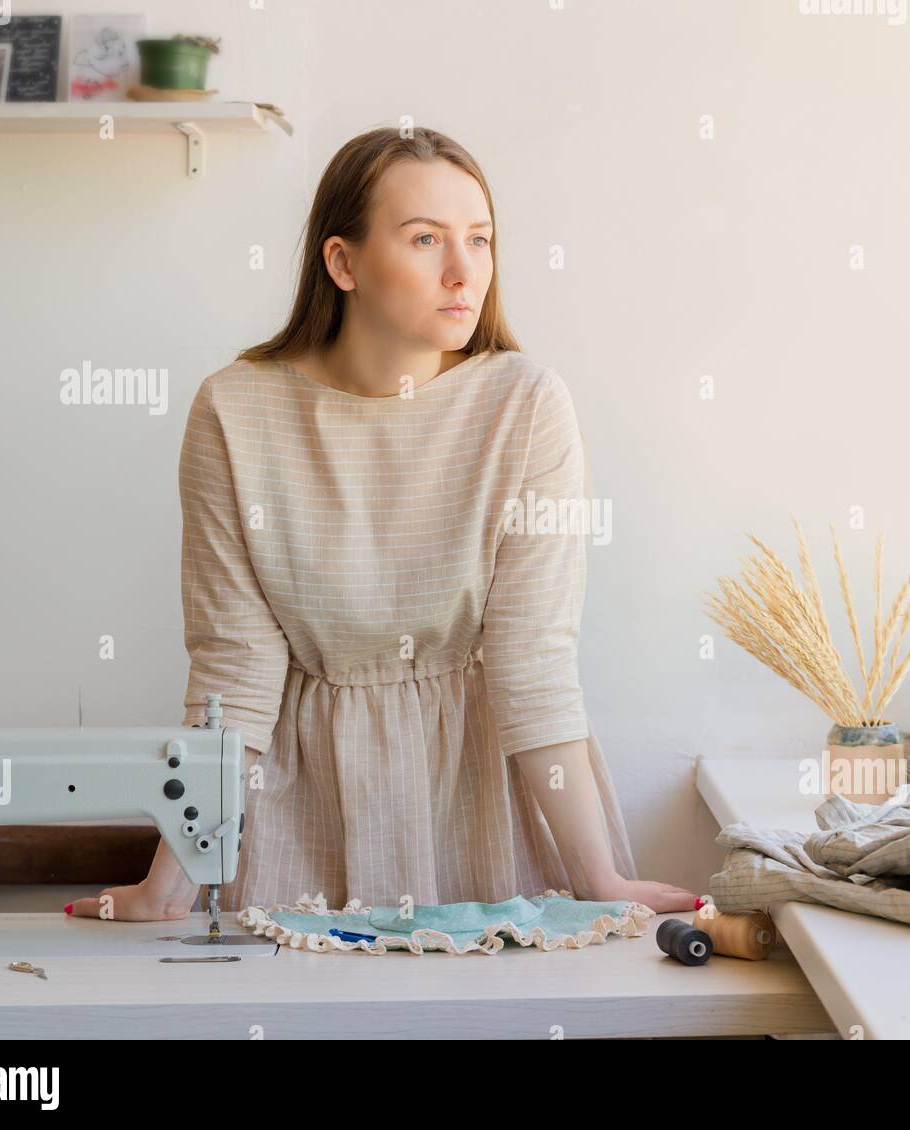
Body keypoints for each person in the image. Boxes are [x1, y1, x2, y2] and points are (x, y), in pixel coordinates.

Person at [69, 126, 695, 924]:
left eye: (481, 240)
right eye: (427, 239)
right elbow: (235, 675)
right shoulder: (235, 410)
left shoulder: (526, 406)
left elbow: (531, 662)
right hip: (299, 813)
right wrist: (172, 882)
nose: (464, 272)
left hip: (482, 803)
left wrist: (599, 879)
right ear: (343, 263)